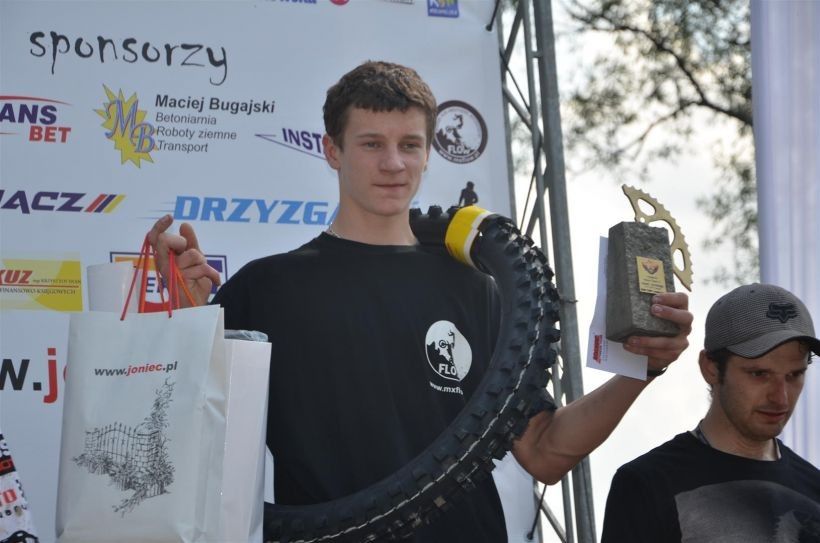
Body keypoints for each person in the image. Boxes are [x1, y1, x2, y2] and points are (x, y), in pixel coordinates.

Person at [149, 60, 693, 542]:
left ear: (429, 153)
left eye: (409, 145)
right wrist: (188, 321)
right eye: (371, 144)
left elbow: (545, 452)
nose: (393, 164)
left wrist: (641, 368)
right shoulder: (267, 288)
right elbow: (186, 438)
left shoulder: (476, 288)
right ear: (332, 150)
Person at [601, 283, 820, 543]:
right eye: (759, 374)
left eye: (794, 375)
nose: (780, 397)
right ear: (711, 368)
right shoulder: (648, 484)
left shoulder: (814, 488)